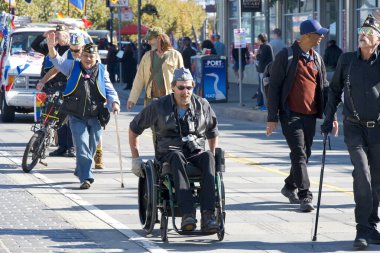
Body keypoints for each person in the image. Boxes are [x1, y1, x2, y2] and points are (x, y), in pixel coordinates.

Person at [129, 67, 219, 233]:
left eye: (189, 87)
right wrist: (135, 158)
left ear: (193, 86)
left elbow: (212, 132)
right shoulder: (158, 106)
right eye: (181, 88)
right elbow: (134, 129)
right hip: (169, 154)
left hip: (195, 152)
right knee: (176, 156)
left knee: (208, 158)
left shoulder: (203, 105)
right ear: (173, 88)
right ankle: (188, 214)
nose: (185, 92)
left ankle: (208, 216)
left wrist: (212, 154)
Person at [321, 14, 380, 250]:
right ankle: (361, 230)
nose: (362, 36)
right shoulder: (347, 60)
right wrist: (329, 116)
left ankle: (371, 227)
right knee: (363, 175)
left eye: (368, 32)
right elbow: (334, 91)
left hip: (378, 129)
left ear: (378, 39)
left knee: (376, 180)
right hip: (353, 127)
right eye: (360, 32)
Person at [266, 19, 329, 212]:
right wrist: (272, 117)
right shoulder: (287, 55)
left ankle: (289, 186)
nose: (322, 37)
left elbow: (324, 86)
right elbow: (274, 87)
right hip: (290, 114)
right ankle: (305, 195)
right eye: (319, 34)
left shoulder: (317, 58)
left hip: (310, 114)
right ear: (307, 36)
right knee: (299, 153)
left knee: (305, 153)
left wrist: (331, 114)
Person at [46, 33, 120, 190]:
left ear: (96, 58)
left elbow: (109, 89)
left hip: (96, 115)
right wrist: (51, 47)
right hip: (76, 115)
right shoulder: (72, 66)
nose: (88, 59)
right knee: (81, 145)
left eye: (91, 56)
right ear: (81, 56)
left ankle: (81, 168)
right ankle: (86, 177)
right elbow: (57, 61)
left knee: (91, 146)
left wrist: (115, 102)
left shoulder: (102, 70)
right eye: (85, 55)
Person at [32, 25, 75, 158]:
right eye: (55, 33)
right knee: (50, 116)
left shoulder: (71, 49)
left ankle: (71, 147)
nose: (56, 35)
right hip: (50, 86)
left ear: (66, 36)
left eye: (59, 34)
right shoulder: (51, 46)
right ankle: (61, 146)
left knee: (67, 118)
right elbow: (35, 45)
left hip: (66, 86)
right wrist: (44, 35)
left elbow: (59, 69)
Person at [127, 27, 183, 110]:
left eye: (150, 39)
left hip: (169, 100)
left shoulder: (175, 55)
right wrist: (132, 99)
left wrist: (182, 100)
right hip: (151, 100)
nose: (148, 42)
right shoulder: (146, 56)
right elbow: (139, 79)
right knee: (150, 123)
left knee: (169, 122)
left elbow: (182, 79)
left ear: (159, 38)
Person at [254, 33, 274, 109]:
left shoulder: (266, 47)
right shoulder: (263, 47)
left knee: (264, 89)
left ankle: (267, 106)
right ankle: (262, 104)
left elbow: (261, 59)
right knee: (262, 88)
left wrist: (256, 55)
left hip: (265, 71)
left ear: (260, 39)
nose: (256, 41)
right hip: (262, 70)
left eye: (257, 39)